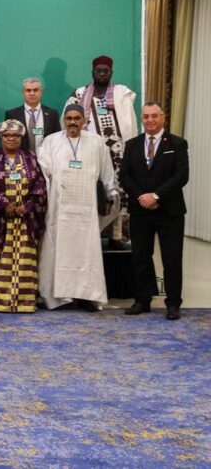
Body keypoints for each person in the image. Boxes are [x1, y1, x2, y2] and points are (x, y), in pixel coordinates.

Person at [37, 104, 118, 312]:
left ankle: (87, 296)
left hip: (86, 211)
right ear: (64, 120)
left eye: (77, 118)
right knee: (57, 251)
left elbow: (107, 172)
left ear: (84, 120)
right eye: (69, 118)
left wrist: (110, 194)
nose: (73, 122)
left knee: (86, 253)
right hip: (59, 209)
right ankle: (58, 297)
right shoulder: (51, 141)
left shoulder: (96, 142)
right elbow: (42, 172)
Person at [119, 102, 189, 320]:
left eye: (154, 116)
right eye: (146, 116)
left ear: (163, 117)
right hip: (141, 211)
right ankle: (143, 300)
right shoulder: (132, 145)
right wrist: (142, 197)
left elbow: (181, 176)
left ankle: (173, 303)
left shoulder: (177, 143)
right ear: (142, 119)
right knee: (141, 257)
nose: (150, 120)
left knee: (172, 259)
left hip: (169, 211)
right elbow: (124, 176)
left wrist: (156, 196)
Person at [0, 119, 47, 313]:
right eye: (7, 135)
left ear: (21, 138)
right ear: (0, 137)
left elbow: (40, 185)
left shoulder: (30, 158)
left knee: (23, 262)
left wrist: (28, 205)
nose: (11, 138)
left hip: (24, 222)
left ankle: (25, 302)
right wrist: (5, 204)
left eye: (15, 135)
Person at [66, 55, 137, 247]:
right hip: (89, 153)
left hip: (118, 154)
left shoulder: (121, 93)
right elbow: (68, 122)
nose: (102, 74)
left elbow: (130, 123)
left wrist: (131, 151)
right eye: (99, 71)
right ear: (93, 72)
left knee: (118, 192)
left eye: (106, 71)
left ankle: (117, 236)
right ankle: (90, 235)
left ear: (111, 73)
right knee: (90, 191)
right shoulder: (80, 94)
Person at [5, 77, 60, 152]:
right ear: (23, 93)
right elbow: (7, 140)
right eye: (28, 90)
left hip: (46, 156)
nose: (32, 93)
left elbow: (57, 139)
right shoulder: (12, 114)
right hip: (20, 157)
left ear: (41, 92)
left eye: (35, 90)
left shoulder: (52, 114)